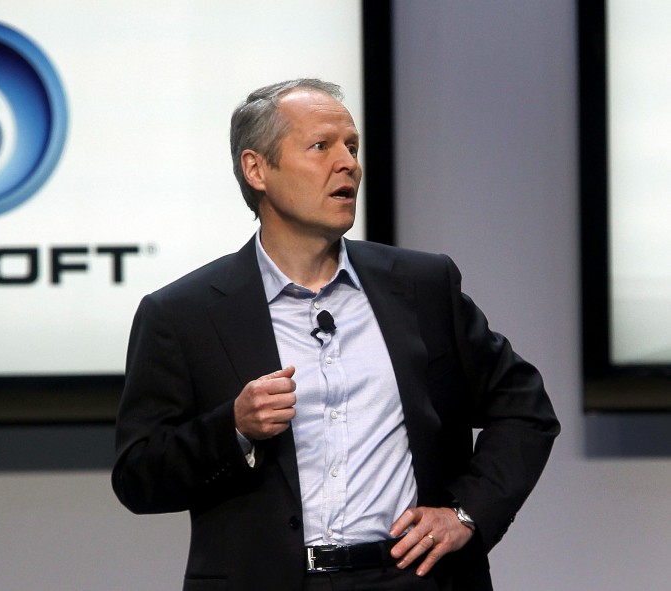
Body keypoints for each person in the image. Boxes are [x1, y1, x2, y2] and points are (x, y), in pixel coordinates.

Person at [112, 79, 559, 591]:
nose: (348, 164)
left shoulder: (421, 286)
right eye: (321, 146)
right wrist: (233, 428)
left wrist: (466, 513)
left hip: (413, 578)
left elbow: (525, 408)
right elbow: (138, 476)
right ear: (257, 169)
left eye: (352, 147)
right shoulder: (183, 314)